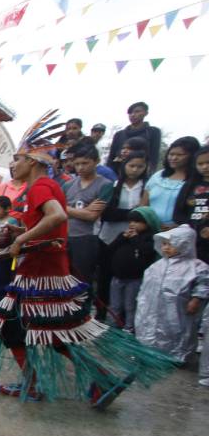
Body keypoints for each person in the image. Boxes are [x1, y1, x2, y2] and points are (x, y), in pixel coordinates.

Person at [0, 110, 175, 408]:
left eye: (17, 159)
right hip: (47, 269)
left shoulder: (40, 187)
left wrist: (21, 239)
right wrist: (21, 231)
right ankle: (101, 379)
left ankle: (37, 384)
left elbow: (57, 216)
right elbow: (51, 221)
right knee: (52, 332)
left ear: (33, 162)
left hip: (40, 273)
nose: (13, 164)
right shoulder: (48, 186)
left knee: (12, 328)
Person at [134, 225, 208, 367]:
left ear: (184, 244)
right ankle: (148, 352)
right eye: (164, 244)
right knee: (151, 328)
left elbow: (203, 285)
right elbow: (145, 288)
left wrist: (196, 299)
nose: (166, 248)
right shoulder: (157, 266)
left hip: (179, 309)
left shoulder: (197, 266)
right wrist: (142, 303)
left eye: (171, 244)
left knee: (178, 331)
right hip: (152, 308)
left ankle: (178, 357)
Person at [95, 153, 149, 319]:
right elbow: (107, 213)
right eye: (131, 165)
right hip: (109, 238)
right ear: (124, 166)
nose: (135, 170)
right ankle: (101, 312)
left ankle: (124, 318)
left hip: (133, 239)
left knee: (127, 277)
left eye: (140, 166)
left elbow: (145, 215)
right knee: (105, 277)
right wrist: (133, 212)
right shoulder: (113, 186)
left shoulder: (146, 188)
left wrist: (128, 214)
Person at [62, 142, 114, 296]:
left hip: (87, 238)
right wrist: (83, 210)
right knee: (64, 278)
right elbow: (58, 210)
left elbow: (92, 216)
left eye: (85, 163)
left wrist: (67, 209)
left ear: (96, 161)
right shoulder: (68, 184)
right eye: (77, 164)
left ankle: (83, 308)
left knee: (82, 280)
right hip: (66, 236)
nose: (80, 167)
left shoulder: (105, 185)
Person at [105, 206, 160, 332]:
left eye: (137, 221)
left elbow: (147, 251)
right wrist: (122, 238)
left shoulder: (150, 238)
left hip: (135, 279)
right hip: (117, 277)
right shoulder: (123, 236)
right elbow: (110, 249)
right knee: (115, 305)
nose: (132, 224)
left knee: (130, 305)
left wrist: (135, 239)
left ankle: (129, 327)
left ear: (147, 222)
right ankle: (113, 325)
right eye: (130, 221)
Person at [142, 136, 201, 227]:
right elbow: (143, 205)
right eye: (171, 154)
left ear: (192, 156)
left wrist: (175, 227)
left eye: (180, 155)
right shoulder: (158, 176)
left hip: (181, 231)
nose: (173, 158)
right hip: (149, 228)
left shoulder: (197, 181)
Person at [174, 145, 209, 263]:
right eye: (200, 164)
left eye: (208, 163)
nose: (204, 167)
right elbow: (178, 214)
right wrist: (190, 229)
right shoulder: (190, 186)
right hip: (192, 241)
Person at [108, 102, 162, 170]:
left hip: (140, 170)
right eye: (130, 113)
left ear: (146, 113)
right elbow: (111, 157)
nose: (133, 115)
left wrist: (150, 170)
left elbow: (154, 155)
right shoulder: (119, 134)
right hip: (118, 170)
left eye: (137, 111)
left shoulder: (153, 132)